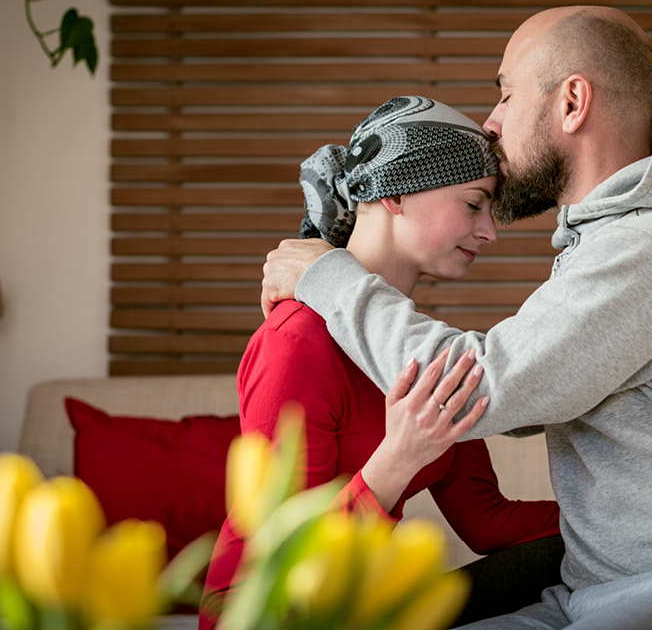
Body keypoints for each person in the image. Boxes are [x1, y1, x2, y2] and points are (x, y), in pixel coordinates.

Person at [259, 6, 652, 630]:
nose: (490, 125)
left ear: (572, 103)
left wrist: (326, 276)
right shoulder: (611, 243)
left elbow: (483, 390)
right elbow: (527, 396)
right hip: (603, 589)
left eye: (507, 94)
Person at [199, 96, 564, 630]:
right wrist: (397, 458)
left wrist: (637, 523)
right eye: (473, 204)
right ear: (395, 195)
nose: (489, 230)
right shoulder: (296, 341)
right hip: (268, 614)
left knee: (575, 558)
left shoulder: (413, 349)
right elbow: (286, 559)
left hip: (359, 608)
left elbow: (487, 522)